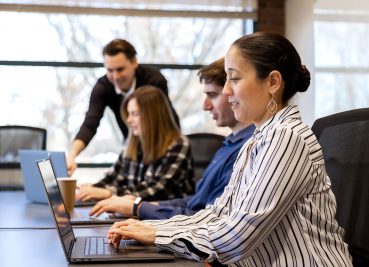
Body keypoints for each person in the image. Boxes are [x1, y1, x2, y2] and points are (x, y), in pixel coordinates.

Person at [106, 32, 353, 267]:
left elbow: (237, 236)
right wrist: (156, 229)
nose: (226, 90)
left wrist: (159, 236)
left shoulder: (285, 136)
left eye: (234, 78)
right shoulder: (259, 139)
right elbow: (217, 213)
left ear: (273, 82)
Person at [88, 58, 255, 219]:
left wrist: (136, 206)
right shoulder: (227, 145)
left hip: (186, 229)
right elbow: (196, 201)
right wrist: (136, 204)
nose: (129, 120)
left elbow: (161, 190)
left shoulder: (245, 149)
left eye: (135, 114)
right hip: (178, 222)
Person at [67, 39, 179, 175]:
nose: (115, 76)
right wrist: (72, 155)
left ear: (134, 62)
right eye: (110, 70)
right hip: (131, 144)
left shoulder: (154, 80)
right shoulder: (103, 86)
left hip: (161, 144)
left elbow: (162, 122)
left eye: (120, 69)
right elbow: (90, 124)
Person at [75, 86, 194, 203]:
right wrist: (91, 189)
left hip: (166, 218)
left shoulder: (178, 144)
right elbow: (112, 178)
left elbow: (157, 189)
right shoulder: (133, 144)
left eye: (135, 114)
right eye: (129, 114)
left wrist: (108, 194)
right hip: (133, 215)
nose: (129, 120)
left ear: (153, 116)